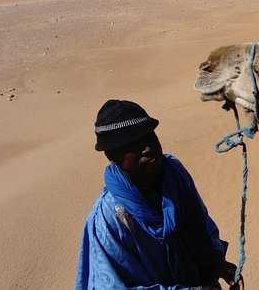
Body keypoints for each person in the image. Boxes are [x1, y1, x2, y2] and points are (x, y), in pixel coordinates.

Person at [75, 100, 239, 289]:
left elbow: (202, 222)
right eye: (134, 144)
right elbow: (111, 285)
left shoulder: (174, 174)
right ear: (112, 156)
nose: (148, 148)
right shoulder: (108, 218)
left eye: (149, 136)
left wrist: (218, 262)